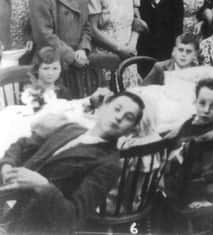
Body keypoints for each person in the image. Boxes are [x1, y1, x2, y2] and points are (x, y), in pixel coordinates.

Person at [0, 92, 145, 233]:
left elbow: (73, 218)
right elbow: (24, 144)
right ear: (103, 107)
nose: (119, 117)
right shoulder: (71, 128)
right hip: (6, 199)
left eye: (128, 117)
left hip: (31, 223)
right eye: (117, 108)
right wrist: (7, 164)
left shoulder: (109, 164)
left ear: (130, 130)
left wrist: (43, 186)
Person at [30, 0, 92, 98]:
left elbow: (87, 27)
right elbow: (44, 35)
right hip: (51, 63)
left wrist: (83, 49)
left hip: (78, 62)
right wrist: (71, 56)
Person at [164, 78, 213, 207]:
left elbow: (211, 170)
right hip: (179, 176)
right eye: (202, 103)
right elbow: (172, 138)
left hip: (198, 188)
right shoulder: (189, 122)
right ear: (194, 102)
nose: (206, 110)